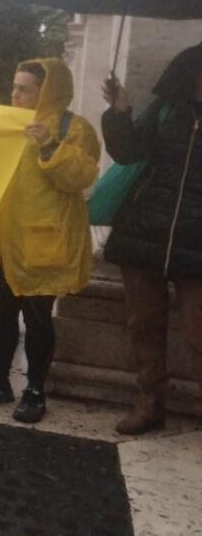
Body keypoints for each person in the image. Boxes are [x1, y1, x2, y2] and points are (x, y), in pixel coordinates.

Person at [0, 58, 99, 423]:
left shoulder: (75, 128)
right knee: (3, 314)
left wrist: (49, 147)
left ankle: (35, 390)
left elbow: (82, 176)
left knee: (38, 319)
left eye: (23, 89)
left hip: (43, 243)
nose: (14, 95)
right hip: (4, 240)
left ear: (46, 92)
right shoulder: (7, 126)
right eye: (13, 87)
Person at [101, 44, 202, 434]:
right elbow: (126, 153)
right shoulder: (164, 110)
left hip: (197, 240)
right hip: (145, 233)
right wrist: (120, 111)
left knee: (198, 334)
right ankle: (149, 402)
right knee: (143, 324)